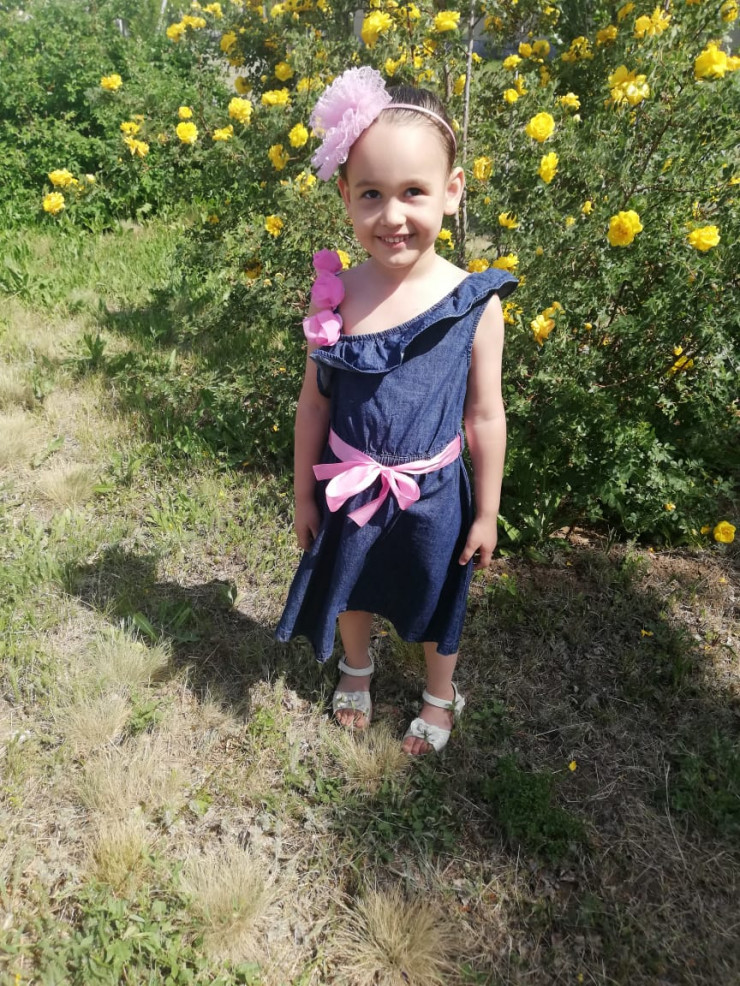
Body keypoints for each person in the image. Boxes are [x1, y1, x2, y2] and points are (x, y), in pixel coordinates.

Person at [275, 67, 517, 755]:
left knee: (439, 598)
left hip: (434, 494)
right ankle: (357, 665)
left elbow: (486, 416)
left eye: (413, 191)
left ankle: (440, 694)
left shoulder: (475, 304)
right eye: (371, 194)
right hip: (349, 485)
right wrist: (303, 494)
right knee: (351, 586)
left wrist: (487, 511)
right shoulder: (335, 296)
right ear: (345, 195)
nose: (392, 216)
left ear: (452, 190)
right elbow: (314, 403)